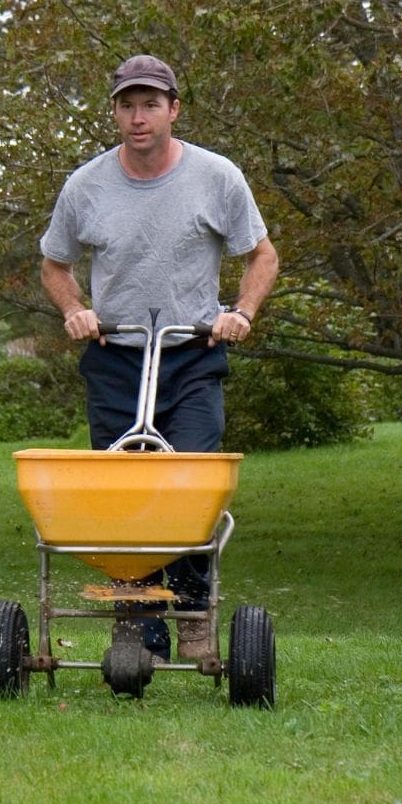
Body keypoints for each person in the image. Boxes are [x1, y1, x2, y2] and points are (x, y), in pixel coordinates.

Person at [39, 54, 279, 667]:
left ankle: (194, 615)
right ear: (115, 112)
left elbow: (263, 257)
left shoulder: (216, 177)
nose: (138, 116)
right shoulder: (86, 185)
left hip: (192, 355)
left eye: (151, 104)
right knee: (124, 500)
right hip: (115, 357)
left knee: (191, 489)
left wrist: (241, 314)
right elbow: (54, 265)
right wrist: (75, 309)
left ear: (174, 109)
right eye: (127, 105)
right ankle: (139, 626)